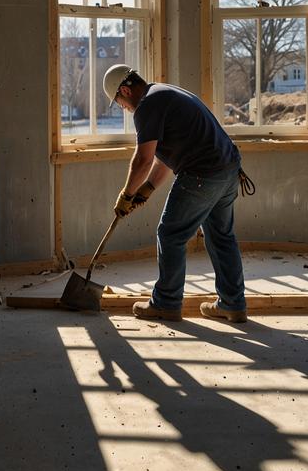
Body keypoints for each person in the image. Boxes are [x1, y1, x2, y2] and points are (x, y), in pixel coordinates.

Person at [103, 65, 250, 323]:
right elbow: (166, 159)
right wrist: (146, 189)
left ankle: (166, 303)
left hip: (203, 173)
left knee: (170, 234)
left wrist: (127, 195)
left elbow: (143, 160)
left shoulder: (147, 106)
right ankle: (233, 304)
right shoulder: (164, 93)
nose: (123, 108)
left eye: (119, 102)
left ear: (125, 90)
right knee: (221, 237)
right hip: (228, 169)